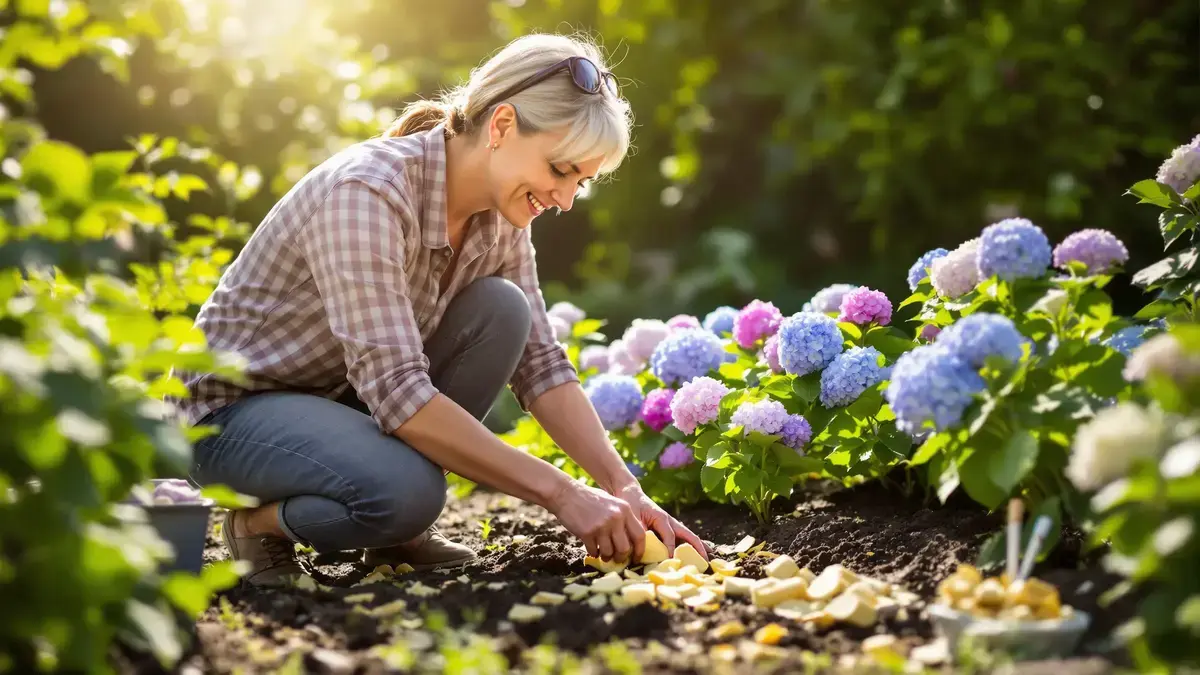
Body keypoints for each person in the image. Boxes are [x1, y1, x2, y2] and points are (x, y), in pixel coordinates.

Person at [171, 33, 708, 587]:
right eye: (561, 169)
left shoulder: (500, 215)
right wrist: (563, 494)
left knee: (504, 309)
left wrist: (625, 487)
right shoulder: (368, 194)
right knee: (408, 495)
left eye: (582, 182)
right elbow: (398, 393)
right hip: (230, 417)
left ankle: (392, 537)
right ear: (501, 126)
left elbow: (541, 365)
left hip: (335, 399)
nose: (566, 198)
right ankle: (260, 527)